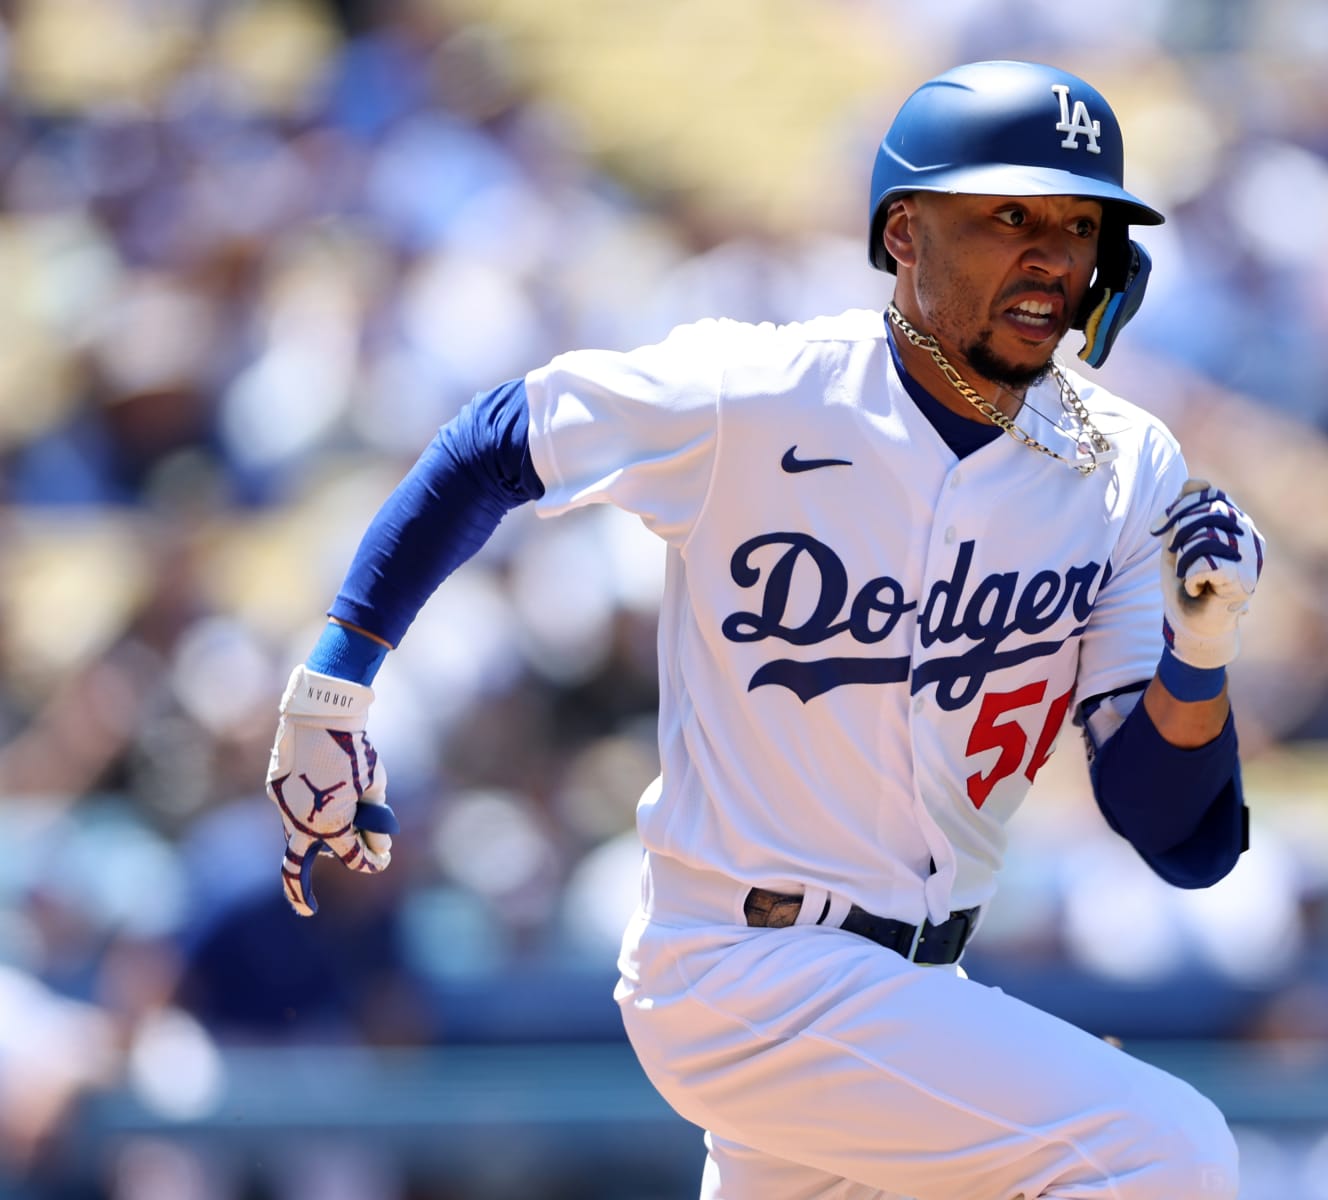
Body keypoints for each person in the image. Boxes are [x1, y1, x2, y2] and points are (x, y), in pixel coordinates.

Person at [264, 59, 1263, 1199]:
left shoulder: (1124, 464)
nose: (1051, 255)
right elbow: (498, 437)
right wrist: (335, 685)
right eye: (1008, 214)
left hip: (916, 993)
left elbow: (1176, 836)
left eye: (1081, 225)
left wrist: (1203, 651)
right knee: (1168, 1151)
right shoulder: (758, 392)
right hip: (744, 965)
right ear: (903, 233)